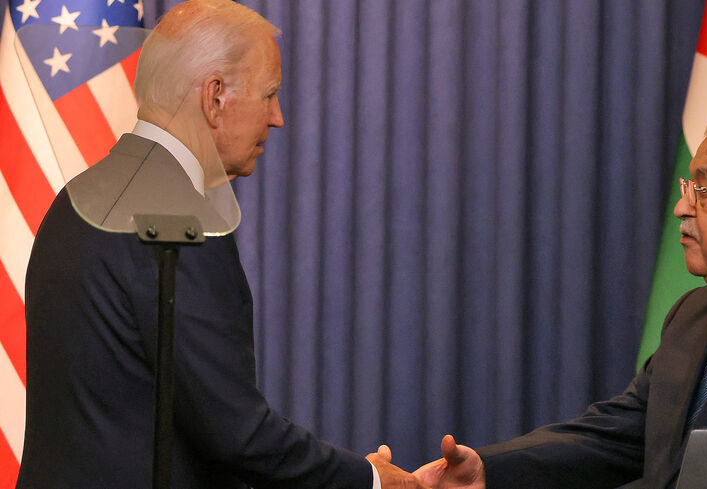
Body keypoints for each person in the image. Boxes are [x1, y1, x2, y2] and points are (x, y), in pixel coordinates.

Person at [17, 1, 424, 488]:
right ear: (214, 97)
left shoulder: (75, 201)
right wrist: (375, 480)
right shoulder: (173, 220)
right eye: (270, 94)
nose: (278, 117)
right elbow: (238, 435)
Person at [413, 105, 707, 489]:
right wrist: (489, 469)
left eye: (702, 190)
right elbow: (626, 435)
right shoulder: (696, 312)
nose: (681, 206)